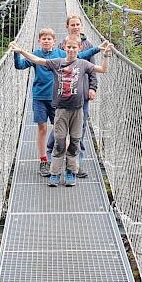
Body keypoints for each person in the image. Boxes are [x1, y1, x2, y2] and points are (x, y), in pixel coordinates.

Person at [10, 38, 112, 187]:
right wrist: (21, 51)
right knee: (59, 141)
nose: (71, 50)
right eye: (69, 47)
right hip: (61, 109)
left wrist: (107, 55)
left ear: (79, 48)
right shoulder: (57, 62)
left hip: (77, 110)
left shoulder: (84, 64)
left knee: (75, 141)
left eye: (74, 47)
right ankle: (55, 173)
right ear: (64, 47)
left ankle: (70, 172)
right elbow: (37, 60)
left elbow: (103, 70)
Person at [48, 15, 97, 177]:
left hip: (81, 94)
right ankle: (51, 153)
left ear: (81, 26)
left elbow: (93, 69)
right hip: (63, 94)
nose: (75, 27)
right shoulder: (62, 45)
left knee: (79, 129)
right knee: (59, 127)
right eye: (72, 25)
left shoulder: (88, 45)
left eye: (78, 24)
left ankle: (77, 164)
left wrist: (92, 88)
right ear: (67, 26)